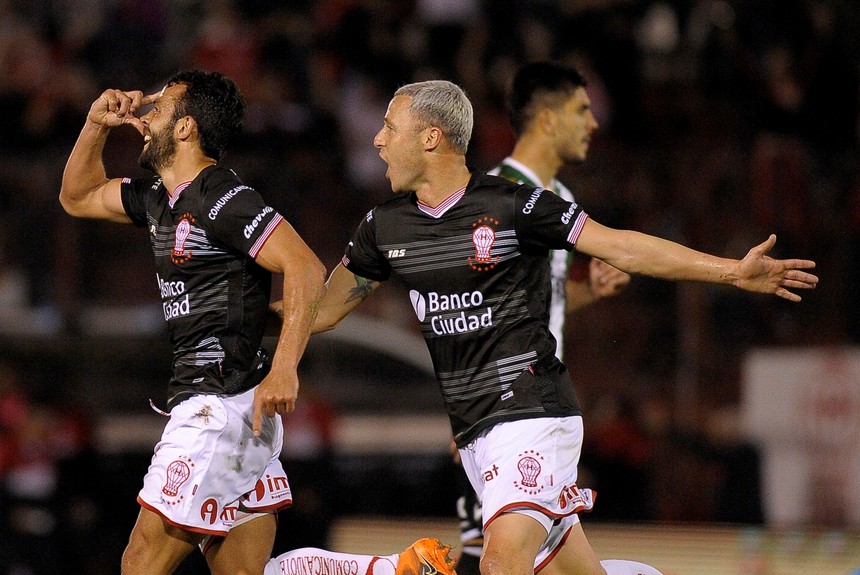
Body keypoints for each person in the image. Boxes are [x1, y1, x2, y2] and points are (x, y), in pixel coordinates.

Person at [310, 79, 818, 575]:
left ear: (430, 136)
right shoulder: (385, 225)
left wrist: (731, 271)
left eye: (389, 126)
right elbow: (322, 312)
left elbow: (620, 246)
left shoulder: (514, 204)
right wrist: (256, 315)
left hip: (530, 412)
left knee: (499, 565)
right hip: (475, 431)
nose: (377, 139)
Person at [58, 69, 456, 575]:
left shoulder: (221, 197)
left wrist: (285, 368)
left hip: (216, 407)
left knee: (140, 562)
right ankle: (394, 568)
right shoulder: (159, 197)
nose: (146, 115)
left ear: (185, 127)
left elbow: (304, 267)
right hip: (238, 412)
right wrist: (95, 124)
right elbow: (77, 197)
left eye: (160, 106)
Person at [456, 60, 631, 575]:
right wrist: (469, 405)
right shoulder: (491, 197)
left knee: (527, 561)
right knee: (493, 560)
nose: (593, 122)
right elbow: (466, 305)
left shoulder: (562, 199)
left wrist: (589, 291)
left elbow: (538, 304)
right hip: (500, 413)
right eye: (582, 110)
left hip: (538, 407)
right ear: (548, 119)